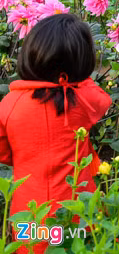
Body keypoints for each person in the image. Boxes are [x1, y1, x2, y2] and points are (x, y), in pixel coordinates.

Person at [0, 14, 111, 229]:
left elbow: (3, 152)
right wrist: (75, 80)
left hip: (30, 216)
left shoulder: (10, 104)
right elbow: (103, 100)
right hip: (78, 212)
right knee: (83, 246)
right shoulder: (84, 100)